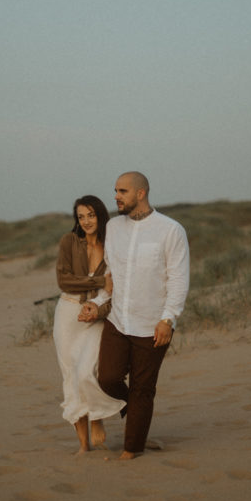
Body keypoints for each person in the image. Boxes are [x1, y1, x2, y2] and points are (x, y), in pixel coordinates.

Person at [79, 172, 190, 460]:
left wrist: (168, 319)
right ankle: (137, 411)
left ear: (141, 193)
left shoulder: (170, 230)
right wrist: (98, 302)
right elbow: (111, 274)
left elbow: (178, 279)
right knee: (107, 378)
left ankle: (132, 449)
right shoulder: (114, 227)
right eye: (115, 190)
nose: (116, 196)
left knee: (143, 388)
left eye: (123, 191)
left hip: (153, 325)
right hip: (118, 321)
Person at [53, 194, 126, 454]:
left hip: (97, 314)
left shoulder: (113, 245)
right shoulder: (69, 241)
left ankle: (97, 417)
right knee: (70, 377)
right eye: (81, 216)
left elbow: (115, 289)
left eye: (91, 215)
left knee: (86, 372)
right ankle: (83, 445)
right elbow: (64, 281)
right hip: (68, 313)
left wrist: (97, 310)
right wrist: (99, 281)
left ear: (100, 215)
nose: (86, 221)